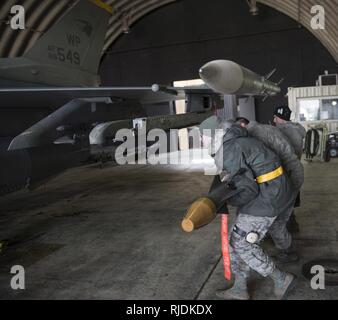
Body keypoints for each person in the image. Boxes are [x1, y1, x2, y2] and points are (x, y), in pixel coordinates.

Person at [199, 117, 297, 300]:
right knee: (233, 239)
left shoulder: (229, 148)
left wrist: (228, 200)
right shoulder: (235, 142)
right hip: (273, 189)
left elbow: (248, 189)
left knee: (241, 242)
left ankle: (281, 279)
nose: (200, 141)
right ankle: (239, 287)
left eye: (202, 137)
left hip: (269, 195)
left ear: (213, 135)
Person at [236, 116, 303, 263]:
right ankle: (285, 237)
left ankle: (288, 251)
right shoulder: (264, 128)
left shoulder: (256, 135)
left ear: (242, 125)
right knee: (279, 215)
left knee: (276, 221)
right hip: (289, 174)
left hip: (287, 177)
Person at [273, 106, 307, 232]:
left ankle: (286, 227)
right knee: (292, 196)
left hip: (285, 169)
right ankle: (292, 222)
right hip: (296, 167)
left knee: (284, 198)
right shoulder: (297, 129)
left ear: (280, 118)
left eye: (275, 117)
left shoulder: (282, 131)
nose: (274, 120)